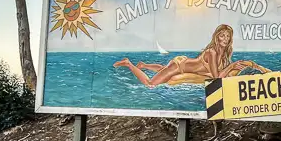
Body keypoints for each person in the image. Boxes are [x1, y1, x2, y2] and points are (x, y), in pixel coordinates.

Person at [113, 24, 268, 87]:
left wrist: (258, 67)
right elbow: (216, 77)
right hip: (179, 66)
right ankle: (129, 64)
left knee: (163, 69)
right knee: (151, 84)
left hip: (185, 64)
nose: (225, 39)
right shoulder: (213, 52)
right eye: (222, 36)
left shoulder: (224, 53)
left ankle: (144, 65)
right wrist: (232, 66)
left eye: (228, 37)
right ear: (216, 37)